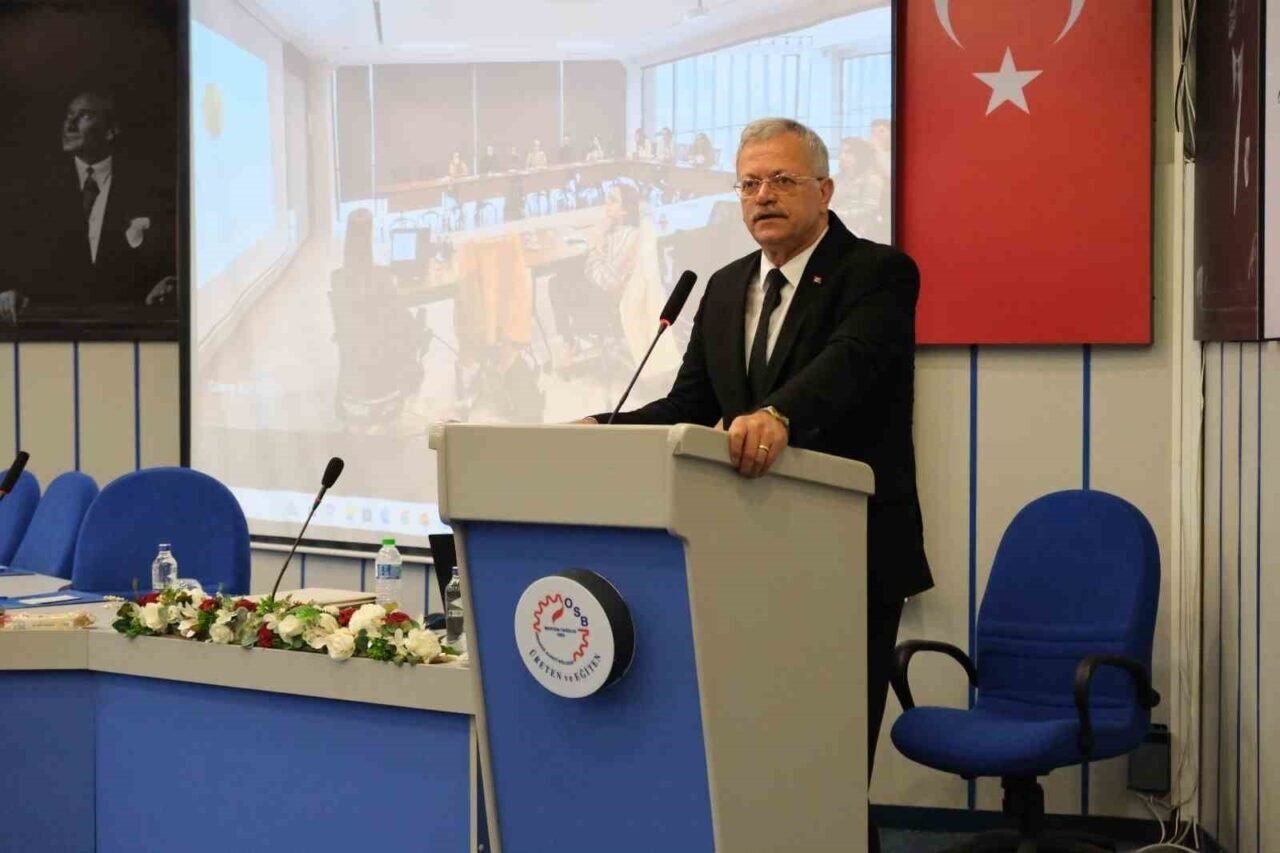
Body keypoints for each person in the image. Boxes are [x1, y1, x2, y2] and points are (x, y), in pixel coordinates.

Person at [579, 118, 931, 853]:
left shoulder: (879, 273)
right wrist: (602, 428)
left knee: (830, 755)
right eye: (748, 183)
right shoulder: (725, 285)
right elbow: (689, 406)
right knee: (760, 750)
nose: (762, 196)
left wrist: (779, 414)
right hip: (746, 554)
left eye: (781, 180)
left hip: (849, 556)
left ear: (825, 190)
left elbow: (849, 364)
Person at [0, 90, 175, 323]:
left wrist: (167, 282)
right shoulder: (35, 186)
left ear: (111, 130)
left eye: (84, 116)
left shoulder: (148, 186)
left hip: (131, 325)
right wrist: (7, 289)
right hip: (49, 326)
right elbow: (14, 250)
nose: (69, 125)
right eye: (68, 115)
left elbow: (167, 259)